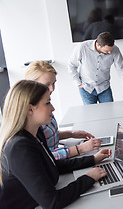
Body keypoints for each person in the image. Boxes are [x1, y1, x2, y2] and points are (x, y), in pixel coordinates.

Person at [0, 80, 111, 208]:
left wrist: (93, 159)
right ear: (30, 109)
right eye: (47, 103)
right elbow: (52, 202)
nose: (53, 108)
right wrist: (88, 178)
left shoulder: (35, 133)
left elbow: (51, 165)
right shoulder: (19, 147)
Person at [25, 60, 102, 160]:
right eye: (47, 84)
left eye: (53, 83)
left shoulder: (44, 106)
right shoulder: (31, 116)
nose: (52, 89)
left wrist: (71, 134)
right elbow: (44, 158)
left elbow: (49, 137)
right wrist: (80, 149)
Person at [69, 31, 123, 105]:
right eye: (106, 50)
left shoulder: (115, 50)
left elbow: (122, 70)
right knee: (91, 115)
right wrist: (78, 83)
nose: (109, 53)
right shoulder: (83, 47)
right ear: (98, 45)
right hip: (86, 88)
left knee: (109, 113)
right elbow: (71, 65)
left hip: (104, 88)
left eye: (110, 50)